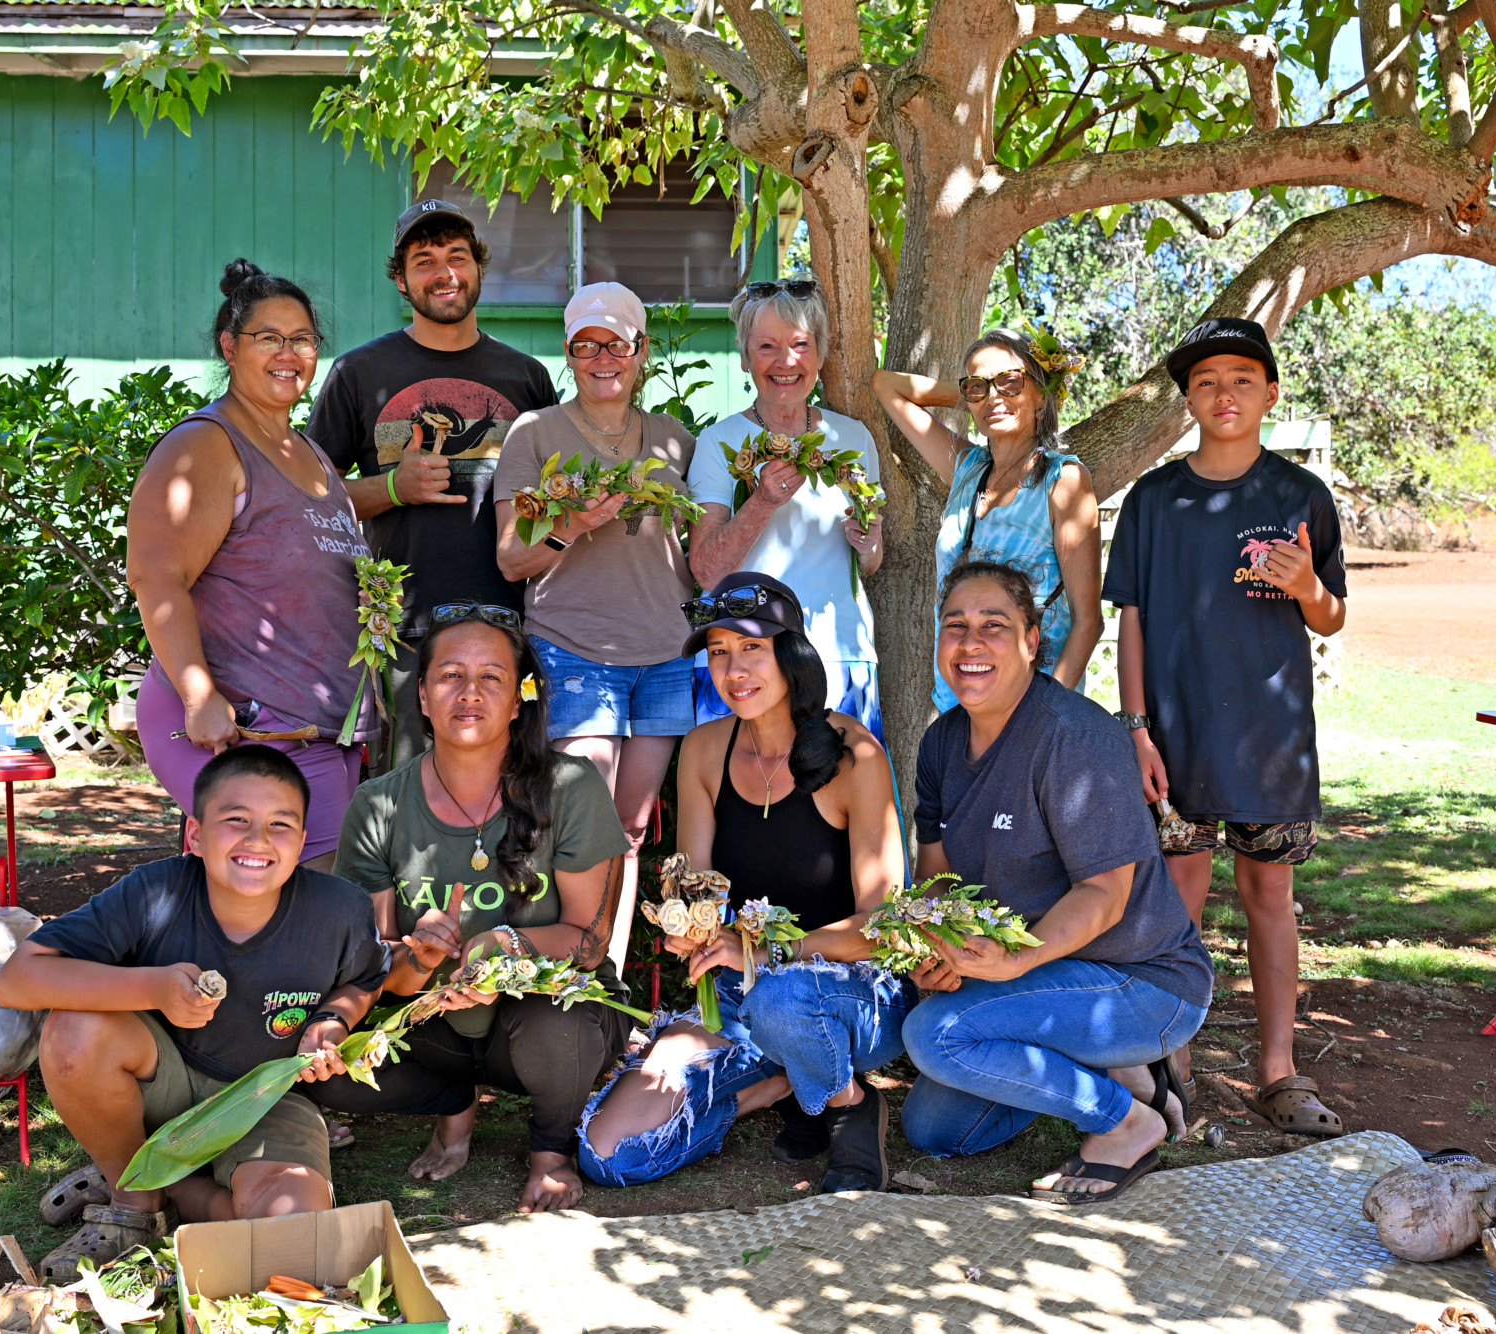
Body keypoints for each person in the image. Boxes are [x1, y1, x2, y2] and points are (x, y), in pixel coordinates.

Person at [0, 746, 390, 1277]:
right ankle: (133, 1198)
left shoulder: (339, 908)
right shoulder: (154, 892)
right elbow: (17, 980)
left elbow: (364, 978)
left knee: (293, 1228)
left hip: (267, 1097)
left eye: (280, 824)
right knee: (74, 1029)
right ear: (196, 835)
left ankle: (169, 1186)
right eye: (236, 820)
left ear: (301, 842)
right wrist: (153, 988)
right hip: (161, 1084)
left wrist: (332, 1020)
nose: (258, 840)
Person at [577, 573, 912, 1194]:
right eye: (718, 651)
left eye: (752, 648)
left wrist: (764, 949)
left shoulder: (854, 753)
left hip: (850, 990)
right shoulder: (704, 749)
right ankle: (775, 1087)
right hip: (739, 991)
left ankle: (849, 1103)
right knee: (609, 1154)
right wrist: (688, 929)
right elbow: (694, 890)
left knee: (782, 1000)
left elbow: (887, 929)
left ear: (793, 654)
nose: (734, 670)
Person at [1102, 316, 1348, 1139]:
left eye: (1243, 378)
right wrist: (1136, 728)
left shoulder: (1299, 495)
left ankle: (1277, 1070)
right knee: (1179, 898)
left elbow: (1332, 615)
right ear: (1188, 400)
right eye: (1205, 381)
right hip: (1174, 741)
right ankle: (1174, 1064)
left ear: (1270, 393)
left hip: (1272, 743)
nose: (1224, 393)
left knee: (1269, 894)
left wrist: (1308, 586)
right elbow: (1131, 620)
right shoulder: (1154, 500)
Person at [899, 560, 1213, 1203]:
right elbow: (937, 879)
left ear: (1031, 640)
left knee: (935, 1036)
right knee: (936, 1130)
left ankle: (1126, 1122)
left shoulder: (1075, 738)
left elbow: (1106, 896)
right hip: (1038, 974)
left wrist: (1016, 960)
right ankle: (1118, 1071)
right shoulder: (941, 744)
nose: (970, 643)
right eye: (955, 625)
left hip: (1141, 978)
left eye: (993, 625)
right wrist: (939, 949)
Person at [314, 605, 632, 1213]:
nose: (469, 692)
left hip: (546, 1016)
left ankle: (551, 1151)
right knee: (325, 1067)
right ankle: (452, 1104)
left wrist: (502, 945)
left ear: (518, 700)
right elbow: (372, 968)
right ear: (422, 696)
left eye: (491, 677)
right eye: (450, 676)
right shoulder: (378, 804)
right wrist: (418, 956)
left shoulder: (571, 787)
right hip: (433, 1022)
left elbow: (590, 944)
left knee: (557, 1026)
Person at [128, 260, 371, 869]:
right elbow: (156, 575)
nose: (289, 353)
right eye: (269, 337)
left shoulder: (307, 450)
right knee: (302, 901)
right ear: (230, 347)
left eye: (303, 339)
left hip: (315, 725)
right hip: (246, 724)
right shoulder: (206, 444)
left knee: (317, 903)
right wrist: (199, 695)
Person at [307, 199, 559, 769]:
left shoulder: (527, 377)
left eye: (457, 256)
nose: (444, 273)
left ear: (478, 268)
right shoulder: (359, 373)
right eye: (424, 261)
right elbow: (310, 499)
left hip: (511, 624)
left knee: (510, 787)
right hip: (404, 630)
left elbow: (549, 502)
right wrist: (393, 488)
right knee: (406, 788)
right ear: (401, 280)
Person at [494, 283, 699, 888]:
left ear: (641, 351)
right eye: (586, 345)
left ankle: (608, 948)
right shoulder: (535, 433)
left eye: (617, 344)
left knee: (630, 829)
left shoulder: (676, 439)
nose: (602, 358)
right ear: (568, 353)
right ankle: (564, 949)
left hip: (667, 654)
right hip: (573, 648)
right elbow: (510, 559)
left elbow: (704, 546)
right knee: (577, 826)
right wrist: (573, 526)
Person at [686, 281, 885, 740]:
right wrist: (762, 502)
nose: (786, 361)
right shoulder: (718, 443)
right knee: (741, 784)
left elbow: (870, 563)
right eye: (767, 347)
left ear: (820, 354)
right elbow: (707, 571)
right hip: (743, 659)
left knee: (844, 782)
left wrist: (869, 545)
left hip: (839, 652)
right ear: (745, 357)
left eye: (800, 345)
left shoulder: (853, 438)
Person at [871, 328, 1104, 710]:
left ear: (1041, 396)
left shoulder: (1063, 481)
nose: (994, 394)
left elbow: (1088, 621)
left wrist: (1046, 717)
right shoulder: (968, 469)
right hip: (957, 706)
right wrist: (981, 398)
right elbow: (886, 385)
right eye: (977, 385)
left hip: (1031, 707)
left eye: (1011, 381)